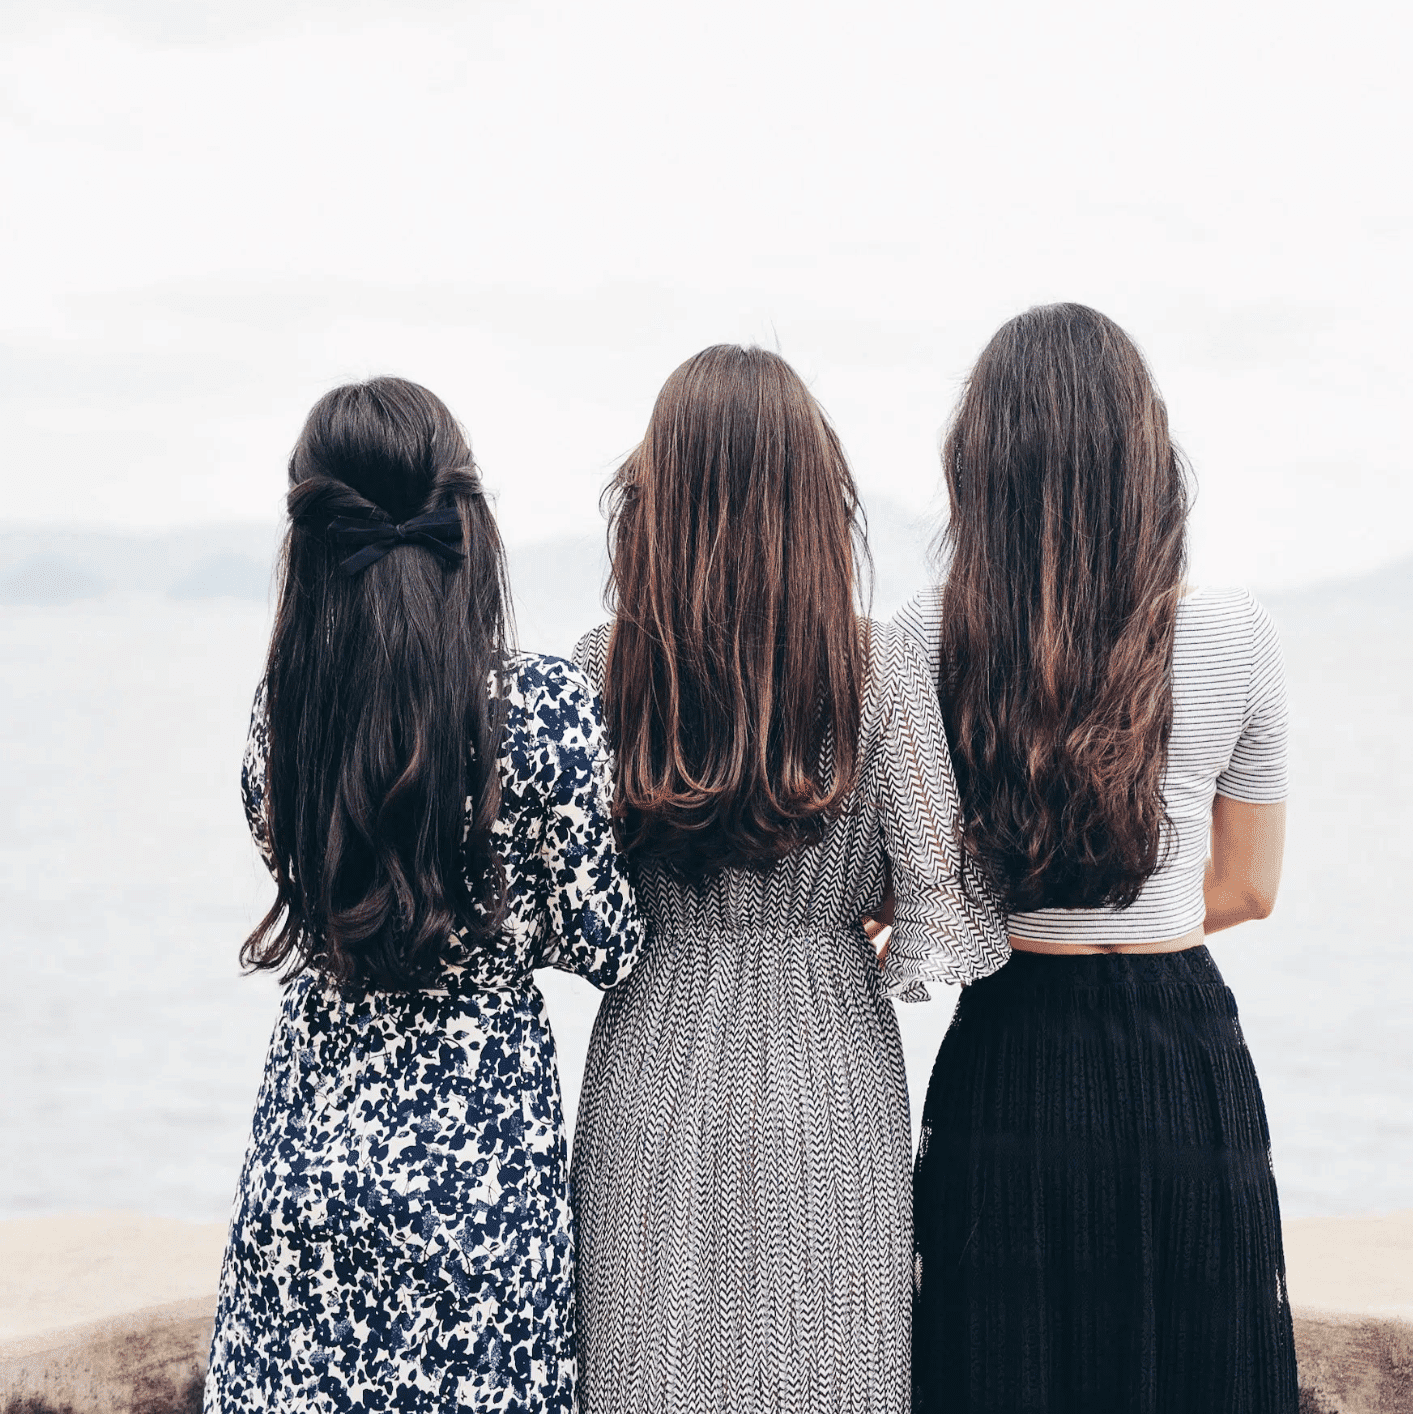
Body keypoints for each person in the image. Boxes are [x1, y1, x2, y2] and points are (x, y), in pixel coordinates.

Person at [568, 345, 1007, 1414]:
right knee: (829, 1368)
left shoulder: (599, 667)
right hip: (827, 1058)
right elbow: (949, 891)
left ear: (656, 496)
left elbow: (569, 903)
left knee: (646, 1364)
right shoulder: (878, 664)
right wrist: (847, 907)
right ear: (816, 494)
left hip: (652, 1046)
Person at [204, 377, 643, 1414]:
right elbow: (605, 942)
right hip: (482, 1184)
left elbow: (311, 879)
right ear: (468, 527)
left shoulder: (285, 717)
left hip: (305, 1158)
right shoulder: (541, 709)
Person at [899, 304, 1298, 1414]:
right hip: (1182, 1050)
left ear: (980, 461)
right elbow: (1251, 887)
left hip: (1012, 1044)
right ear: (1146, 455)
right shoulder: (1234, 633)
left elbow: (920, 883)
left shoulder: (925, 637)